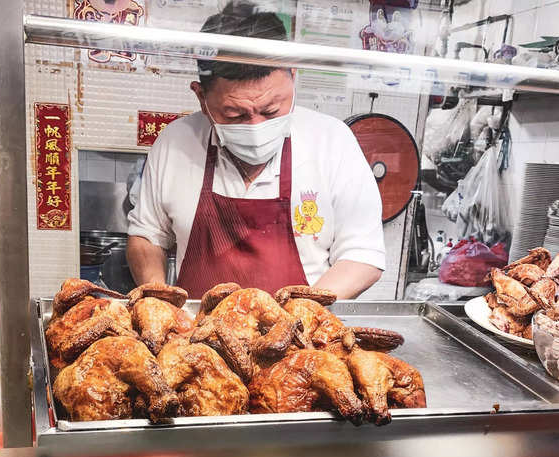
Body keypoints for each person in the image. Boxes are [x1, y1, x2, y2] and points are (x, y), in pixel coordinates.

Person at [127, 1, 385, 299]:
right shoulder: (176, 142)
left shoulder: (332, 141)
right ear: (201, 97)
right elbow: (147, 236)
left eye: (271, 110)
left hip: (302, 336)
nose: (255, 125)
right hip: (196, 341)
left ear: (293, 76)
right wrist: (159, 299)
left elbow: (362, 254)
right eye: (235, 115)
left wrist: (299, 315)